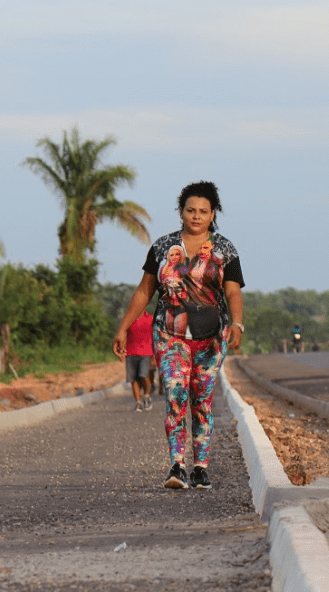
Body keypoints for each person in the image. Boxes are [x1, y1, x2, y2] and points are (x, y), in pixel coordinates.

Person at [112, 181, 244, 491]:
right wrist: (123, 328)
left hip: (210, 338)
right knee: (175, 394)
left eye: (203, 211)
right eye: (190, 210)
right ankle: (177, 465)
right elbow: (144, 290)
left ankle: (200, 467)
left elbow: (232, 292)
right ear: (181, 212)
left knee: (202, 400)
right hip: (169, 335)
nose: (196, 216)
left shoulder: (225, 249)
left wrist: (237, 324)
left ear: (212, 215)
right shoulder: (162, 247)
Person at [124, 310, 154, 412]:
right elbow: (123, 334)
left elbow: (154, 337)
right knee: (133, 379)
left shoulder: (150, 319)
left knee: (144, 376)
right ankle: (138, 403)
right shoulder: (128, 319)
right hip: (130, 352)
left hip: (146, 352)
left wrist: (154, 356)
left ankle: (146, 395)